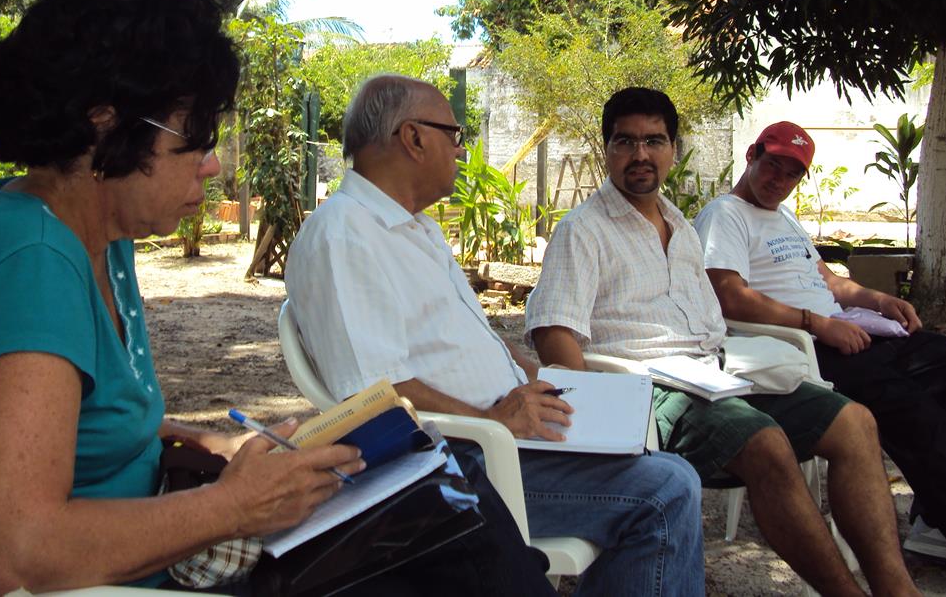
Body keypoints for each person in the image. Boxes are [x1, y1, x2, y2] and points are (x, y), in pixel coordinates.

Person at [0, 0, 552, 597]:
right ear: (105, 126)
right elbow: (15, 551)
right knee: (449, 536)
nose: (212, 166)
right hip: (101, 582)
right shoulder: (31, 266)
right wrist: (234, 505)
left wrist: (212, 445)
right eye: (195, 138)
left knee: (444, 492)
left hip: (134, 547)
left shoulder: (93, 239)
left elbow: (80, 426)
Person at [285, 74, 705, 597]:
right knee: (668, 490)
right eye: (454, 135)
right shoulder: (344, 235)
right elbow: (372, 395)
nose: (461, 151)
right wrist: (491, 420)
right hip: (466, 459)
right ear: (414, 138)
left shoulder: (416, 229)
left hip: (509, 434)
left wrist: (544, 381)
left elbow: (477, 341)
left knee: (648, 450)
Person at [527, 87, 921, 597]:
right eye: (625, 141)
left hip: (718, 373)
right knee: (766, 443)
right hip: (651, 391)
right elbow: (554, 332)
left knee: (855, 422)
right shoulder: (583, 231)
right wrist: (596, 427)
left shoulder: (680, 226)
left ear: (673, 150)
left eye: (654, 141)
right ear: (607, 150)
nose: (640, 154)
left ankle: (897, 590)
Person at [694, 120, 946, 597]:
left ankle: (937, 522)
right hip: (804, 347)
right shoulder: (725, 215)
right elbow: (729, 296)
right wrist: (817, 324)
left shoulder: (784, 218)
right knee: (912, 409)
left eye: (791, 173)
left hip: (849, 331)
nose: (778, 180)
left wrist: (877, 299)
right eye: (772, 166)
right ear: (752, 156)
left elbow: (828, 281)